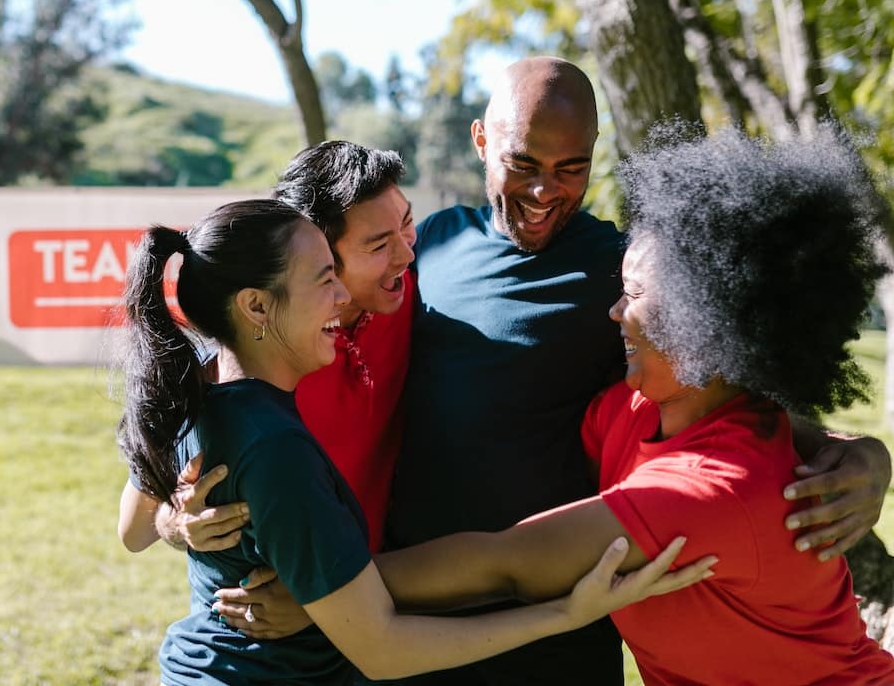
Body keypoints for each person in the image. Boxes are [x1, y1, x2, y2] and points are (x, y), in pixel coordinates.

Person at [116, 198, 711, 685]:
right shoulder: (274, 447)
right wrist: (565, 613)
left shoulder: (200, 392)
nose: (344, 296)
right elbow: (383, 648)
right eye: (325, 279)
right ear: (255, 307)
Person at [379, 126, 894, 683]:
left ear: (707, 316)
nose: (614, 311)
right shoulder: (637, 411)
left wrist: (328, 587)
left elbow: (509, 565)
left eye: (637, 295)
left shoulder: (714, 488)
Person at [119, 141, 417, 555]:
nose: (407, 252)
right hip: (293, 597)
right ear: (317, 252)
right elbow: (134, 529)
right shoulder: (246, 366)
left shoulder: (409, 287)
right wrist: (179, 523)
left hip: (380, 582)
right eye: (379, 245)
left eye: (407, 222)